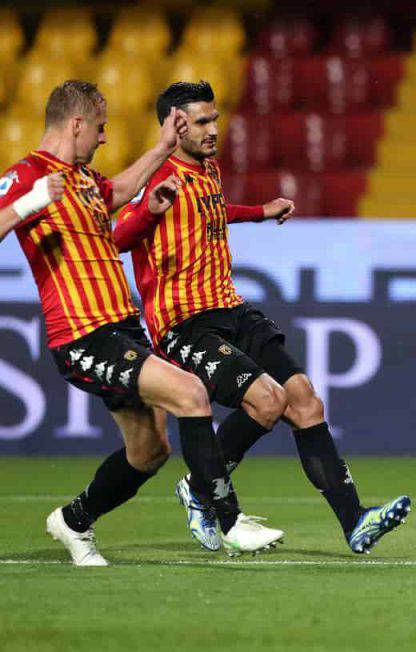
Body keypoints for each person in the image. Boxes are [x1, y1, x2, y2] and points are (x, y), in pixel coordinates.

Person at [113, 81, 410, 555]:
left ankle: (355, 521)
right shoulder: (156, 176)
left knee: (305, 402)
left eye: (215, 118)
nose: (215, 129)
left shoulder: (206, 169)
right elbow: (118, 237)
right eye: (203, 122)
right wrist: (149, 213)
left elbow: (207, 213)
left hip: (230, 308)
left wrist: (259, 212)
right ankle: (201, 488)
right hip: (185, 323)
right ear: (175, 124)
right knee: (268, 402)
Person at [0, 80, 283, 565]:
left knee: (149, 451)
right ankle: (229, 521)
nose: (104, 138)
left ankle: (73, 521)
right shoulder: (30, 174)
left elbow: (122, 190)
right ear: (76, 124)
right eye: (101, 128)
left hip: (122, 328)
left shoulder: (84, 178)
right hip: (83, 332)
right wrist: (28, 204)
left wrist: (162, 150)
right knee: (192, 393)